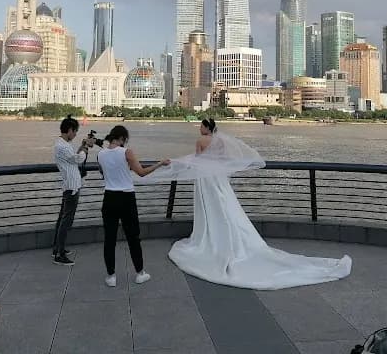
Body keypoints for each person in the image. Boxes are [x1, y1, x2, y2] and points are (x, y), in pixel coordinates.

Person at [136, 118, 352, 290]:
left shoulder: (202, 141)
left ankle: (211, 238)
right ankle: (230, 236)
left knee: (210, 208)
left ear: (205, 128)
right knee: (225, 207)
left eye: (201, 126)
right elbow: (225, 159)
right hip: (219, 178)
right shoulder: (220, 141)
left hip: (205, 180)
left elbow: (197, 160)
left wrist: (174, 162)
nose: (200, 129)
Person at [97, 125, 170, 287]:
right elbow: (142, 172)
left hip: (109, 197)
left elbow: (105, 173)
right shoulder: (126, 152)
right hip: (126, 198)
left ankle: (111, 277)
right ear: (122, 138)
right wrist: (160, 163)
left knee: (109, 239)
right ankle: (140, 273)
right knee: (133, 237)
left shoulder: (100, 154)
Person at [51, 114, 86, 266]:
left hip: (71, 186)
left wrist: (81, 148)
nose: (75, 134)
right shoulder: (61, 146)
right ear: (69, 130)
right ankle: (59, 254)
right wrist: (84, 148)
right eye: (75, 131)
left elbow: (73, 157)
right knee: (66, 221)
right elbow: (78, 159)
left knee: (63, 219)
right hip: (71, 187)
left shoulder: (63, 145)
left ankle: (58, 248)